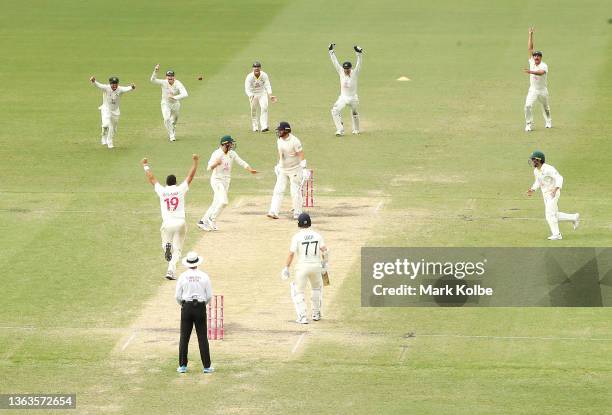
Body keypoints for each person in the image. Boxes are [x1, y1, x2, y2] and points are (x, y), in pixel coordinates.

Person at [142, 154, 199, 279]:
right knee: (177, 250)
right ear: (175, 182)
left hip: (167, 223)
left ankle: (167, 250)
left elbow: (152, 179)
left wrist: (145, 165)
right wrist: (195, 162)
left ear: (166, 183)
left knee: (166, 244)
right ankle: (170, 270)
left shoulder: (162, 191)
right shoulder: (179, 190)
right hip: (180, 222)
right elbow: (190, 177)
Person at [197, 135, 257, 231]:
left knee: (216, 203)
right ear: (225, 144)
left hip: (226, 181)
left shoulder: (232, 153)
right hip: (217, 180)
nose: (232, 145)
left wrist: (250, 169)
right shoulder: (216, 154)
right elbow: (208, 168)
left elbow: (241, 162)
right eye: (230, 143)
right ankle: (212, 218)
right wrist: (216, 163)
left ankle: (202, 222)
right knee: (224, 202)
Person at [281, 213, 328, 324]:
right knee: (317, 289)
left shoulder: (297, 237)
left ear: (299, 224)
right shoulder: (317, 235)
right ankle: (316, 314)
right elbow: (325, 250)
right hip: (316, 267)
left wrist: (286, 268)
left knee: (298, 291)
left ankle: (302, 317)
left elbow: (291, 254)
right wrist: (325, 263)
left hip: (302, 268)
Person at [175, 251, 214, 374]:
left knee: (184, 337)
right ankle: (206, 366)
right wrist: (202, 305)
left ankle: (182, 366)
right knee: (202, 337)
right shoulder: (204, 276)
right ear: (197, 263)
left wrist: (184, 304)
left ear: (187, 263)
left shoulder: (182, 276)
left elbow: (177, 296)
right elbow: (209, 296)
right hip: (200, 306)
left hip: (186, 306)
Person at [526, 151, 579, 240]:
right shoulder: (536, 171)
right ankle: (574, 217)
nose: (532, 161)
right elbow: (538, 181)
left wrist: (555, 189)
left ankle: (557, 235)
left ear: (539, 160)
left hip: (553, 193)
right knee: (554, 215)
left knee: (549, 215)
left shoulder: (549, 169)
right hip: (545, 195)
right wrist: (533, 189)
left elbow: (559, 178)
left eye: (533, 159)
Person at [267, 121, 310, 220]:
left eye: (280, 130)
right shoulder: (279, 140)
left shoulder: (295, 141)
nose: (278, 132)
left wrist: (304, 168)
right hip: (283, 169)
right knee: (278, 190)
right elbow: (280, 153)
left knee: (294, 191)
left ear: (286, 131)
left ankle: (297, 213)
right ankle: (274, 211)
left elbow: (301, 154)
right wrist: (279, 164)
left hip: (295, 170)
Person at [89, 76, 135, 149]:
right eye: (112, 84)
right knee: (106, 124)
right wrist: (94, 81)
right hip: (106, 109)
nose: (114, 85)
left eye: (115, 84)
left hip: (115, 111)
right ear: (110, 84)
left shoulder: (120, 89)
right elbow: (99, 85)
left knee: (113, 128)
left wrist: (132, 87)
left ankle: (107, 138)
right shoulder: (106, 88)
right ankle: (107, 140)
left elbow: (127, 88)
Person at [328, 43, 363, 136]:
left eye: (347, 69)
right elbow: (335, 62)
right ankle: (340, 130)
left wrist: (359, 53)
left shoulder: (355, 73)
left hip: (353, 97)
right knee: (334, 110)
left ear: (351, 68)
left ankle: (356, 129)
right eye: (344, 68)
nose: (346, 70)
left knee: (354, 113)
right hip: (343, 97)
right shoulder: (341, 71)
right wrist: (331, 51)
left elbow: (359, 64)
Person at [150, 64, 188, 141]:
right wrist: (156, 70)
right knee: (166, 119)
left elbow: (185, 94)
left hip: (175, 104)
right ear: (166, 77)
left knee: (174, 121)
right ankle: (171, 135)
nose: (170, 77)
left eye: (171, 76)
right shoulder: (164, 82)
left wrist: (174, 97)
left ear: (174, 77)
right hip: (165, 103)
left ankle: (172, 129)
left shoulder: (178, 83)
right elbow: (153, 80)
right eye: (168, 76)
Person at [524, 28, 552, 132]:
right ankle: (528, 124)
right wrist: (530, 34)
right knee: (527, 106)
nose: (536, 57)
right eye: (535, 56)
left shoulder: (544, 65)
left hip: (542, 90)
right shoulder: (531, 61)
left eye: (538, 56)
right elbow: (530, 48)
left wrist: (531, 72)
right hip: (533, 90)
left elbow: (540, 73)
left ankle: (548, 121)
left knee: (546, 107)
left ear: (541, 58)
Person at [244, 61, 277, 133]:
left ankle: (264, 126)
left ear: (260, 68)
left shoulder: (264, 75)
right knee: (253, 110)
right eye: (255, 67)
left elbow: (267, 85)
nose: (256, 68)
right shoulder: (249, 77)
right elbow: (247, 88)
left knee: (264, 108)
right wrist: (250, 95)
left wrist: (270, 95)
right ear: (253, 68)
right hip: (253, 94)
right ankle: (255, 126)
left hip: (262, 93)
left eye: (258, 67)